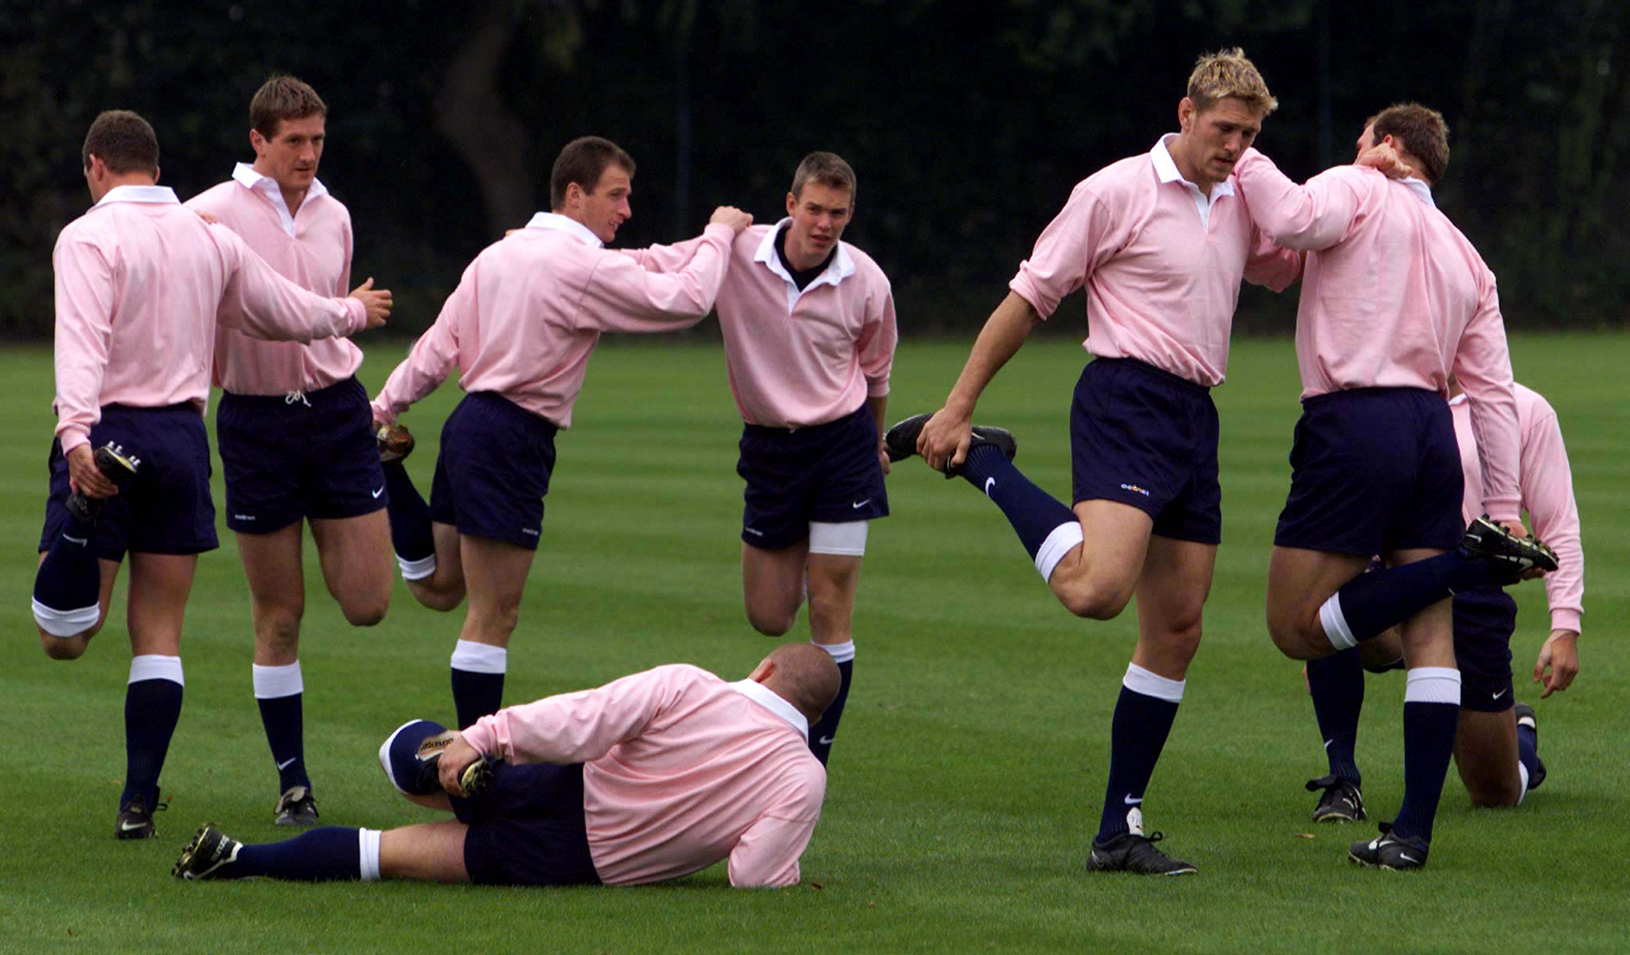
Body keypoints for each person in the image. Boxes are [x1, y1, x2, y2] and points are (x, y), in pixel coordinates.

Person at [887, 49, 1301, 874]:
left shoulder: (1244, 194)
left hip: (1194, 417)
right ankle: (981, 463)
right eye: (1225, 129)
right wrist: (959, 405)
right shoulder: (1114, 191)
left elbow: (1293, 263)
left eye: (1250, 135)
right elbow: (1028, 297)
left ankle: (1118, 829)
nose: (1235, 147)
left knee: (1177, 630)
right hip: (1125, 400)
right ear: (1185, 113)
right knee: (1095, 588)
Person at [31, 109, 391, 839]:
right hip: (181, 439)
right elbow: (281, 311)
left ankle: (81, 521)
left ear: (95, 166)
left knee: (63, 635)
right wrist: (349, 312)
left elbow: (81, 344)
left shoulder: (87, 235)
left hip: (109, 431)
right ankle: (137, 801)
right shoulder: (209, 236)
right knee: (159, 630)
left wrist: (75, 438)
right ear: (156, 169)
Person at [1228, 104, 1557, 870]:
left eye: (1362, 140)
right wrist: (1503, 509)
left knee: (1295, 625)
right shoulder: (1466, 252)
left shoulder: (1359, 184)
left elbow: (1288, 211)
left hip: (1355, 422)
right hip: (1432, 430)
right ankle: (1410, 834)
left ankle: (1466, 564)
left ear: (1391, 146)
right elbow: (1495, 394)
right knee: (1427, 631)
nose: (1354, 152)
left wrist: (1240, 152)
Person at [370, 135, 752, 730]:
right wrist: (721, 234)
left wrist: (383, 406)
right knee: (494, 614)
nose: (627, 209)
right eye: (616, 195)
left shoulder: (500, 254)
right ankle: (478, 768)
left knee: (439, 586)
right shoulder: (579, 265)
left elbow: (439, 345)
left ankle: (384, 468)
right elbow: (686, 299)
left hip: (468, 426)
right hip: (512, 437)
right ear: (575, 195)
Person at [617, 152, 896, 765]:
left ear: (851, 214)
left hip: (843, 445)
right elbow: (652, 261)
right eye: (815, 209)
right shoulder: (739, 253)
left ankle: (810, 756)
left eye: (839, 212)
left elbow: (875, 375)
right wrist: (555, 256)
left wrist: (875, 442)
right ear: (790, 205)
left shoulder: (868, 282)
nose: (825, 223)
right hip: (770, 449)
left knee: (830, 605)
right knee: (770, 618)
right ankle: (808, 554)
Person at [172, 643, 839, 888]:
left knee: (417, 749)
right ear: (810, 719)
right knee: (389, 855)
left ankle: (439, 757)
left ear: (766, 668)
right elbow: (752, 874)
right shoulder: (804, 777)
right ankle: (239, 857)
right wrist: (787, 863)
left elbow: (585, 718)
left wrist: (487, 735)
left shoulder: (695, 685)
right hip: (574, 863)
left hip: (563, 781)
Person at [185, 75, 393, 828]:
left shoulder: (335, 213)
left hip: (337, 414)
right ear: (258, 142)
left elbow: (326, 326)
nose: (308, 154)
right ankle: (294, 784)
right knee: (279, 613)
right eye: (294, 141)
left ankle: (384, 471)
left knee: (368, 603)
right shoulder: (209, 212)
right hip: (257, 422)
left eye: (317, 140)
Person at [1301, 379, 1582, 826]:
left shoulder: (1525, 409)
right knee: (1330, 601)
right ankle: (1342, 782)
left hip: (1472, 595)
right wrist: (1323, 637)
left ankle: (1521, 736)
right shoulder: (1383, 399)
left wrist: (1564, 624)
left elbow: (1558, 524)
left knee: (1496, 792)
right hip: (1393, 580)